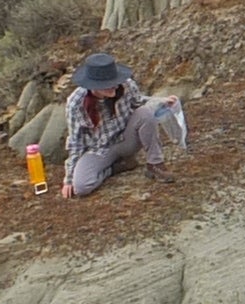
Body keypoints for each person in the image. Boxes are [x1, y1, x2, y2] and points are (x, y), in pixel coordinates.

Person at [62, 52, 187, 198]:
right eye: (107, 85)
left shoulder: (126, 85)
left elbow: (139, 103)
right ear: (93, 86)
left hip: (126, 139)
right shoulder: (76, 103)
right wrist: (69, 179)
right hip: (98, 150)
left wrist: (161, 101)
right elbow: (76, 142)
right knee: (81, 187)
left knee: (145, 113)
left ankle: (155, 165)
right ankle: (116, 168)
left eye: (114, 81)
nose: (113, 86)